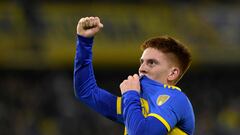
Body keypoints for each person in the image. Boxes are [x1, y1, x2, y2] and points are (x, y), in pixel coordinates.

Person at [74, 16, 195, 135]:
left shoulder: (176, 99)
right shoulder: (137, 103)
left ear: (172, 73)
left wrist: (130, 94)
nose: (141, 69)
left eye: (151, 63)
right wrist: (84, 42)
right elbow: (87, 92)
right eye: (142, 62)